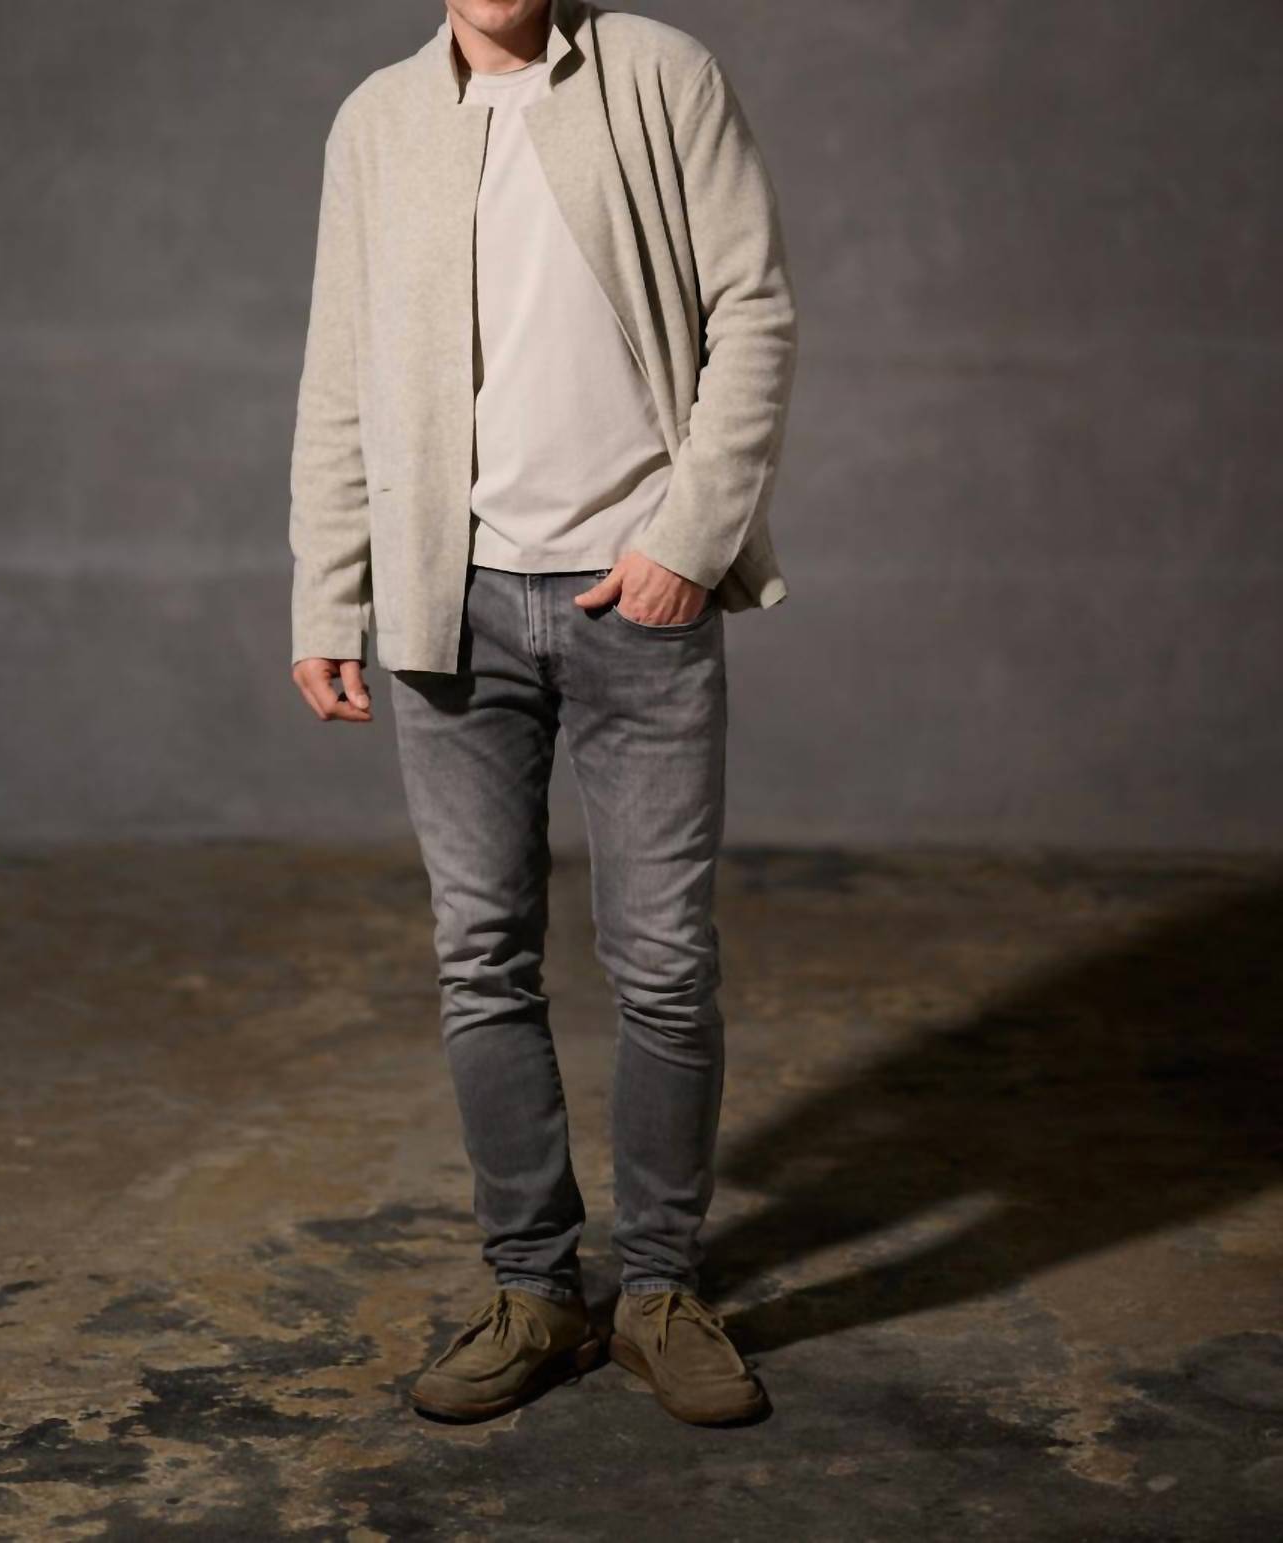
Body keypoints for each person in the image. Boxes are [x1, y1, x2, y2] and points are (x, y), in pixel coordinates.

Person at [289, 0, 798, 1426]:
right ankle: (533, 1291)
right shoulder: (379, 122)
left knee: (665, 963)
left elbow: (753, 313)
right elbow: (340, 373)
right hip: (448, 604)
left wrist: (686, 542)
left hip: (639, 600)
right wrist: (329, 596)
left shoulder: (660, 75)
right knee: (481, 958)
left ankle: (661, 1293)